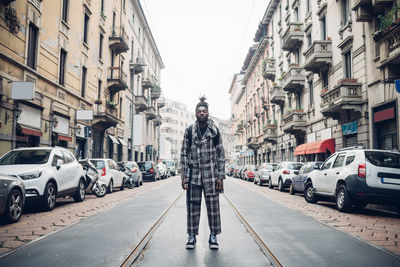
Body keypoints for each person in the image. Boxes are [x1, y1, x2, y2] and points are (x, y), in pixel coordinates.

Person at [180, 96, 225, 250]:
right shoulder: (189, 130)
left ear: (208, 113)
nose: (201, 113)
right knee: (192, 207)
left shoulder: (215, 131)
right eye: (199, 111)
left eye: (204, 111)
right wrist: (184, 175)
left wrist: (220, 176)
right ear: (195, 113)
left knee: (213, 207)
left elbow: (220, 154)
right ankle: (191, 236)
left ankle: (213, 236)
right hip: (194, 176)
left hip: (211, 175)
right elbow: (184, 154)